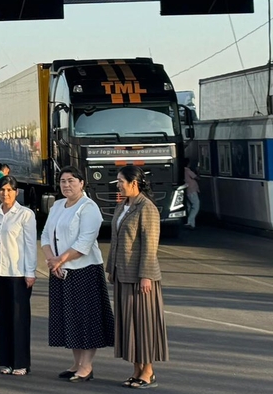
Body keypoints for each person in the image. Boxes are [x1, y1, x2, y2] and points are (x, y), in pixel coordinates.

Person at [41, 166, 113, 382]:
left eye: (71, 180)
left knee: (86, 319)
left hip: (84, 271)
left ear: (82, 183)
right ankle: (76, 363)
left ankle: (86, 366)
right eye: (63, 181)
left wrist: (60, 260)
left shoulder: (88, 207)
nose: (66, 185)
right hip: (60, 270)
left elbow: (84, 242)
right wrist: (53, 261)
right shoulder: (57, 205)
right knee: (69, 318)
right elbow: (45, 235)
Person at [107, 166, 168, 389]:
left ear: (134, 183)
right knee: (129, 325)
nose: (118, 185)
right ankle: (136, 370)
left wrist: (146, 276)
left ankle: (148, 372)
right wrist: (111, 269)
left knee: (143, 324)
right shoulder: (122, 206)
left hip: (140, 278)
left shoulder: (147, 208)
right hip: (122, 274)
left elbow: (150, 246)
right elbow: (115, 240)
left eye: (121, 181)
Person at [0, 176, 36, 376]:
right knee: (2, 319)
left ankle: (21, 362)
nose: (5, 193)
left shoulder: (25, 214)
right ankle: (6, 361)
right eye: (2, 190)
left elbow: (30, 245)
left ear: (16, 192)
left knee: (19, 319)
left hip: (18, 273)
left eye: (9, 190)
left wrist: (30, 272)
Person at [184, 159, 200, 229]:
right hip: (192, 190)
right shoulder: (187, 171)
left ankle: (192, 224)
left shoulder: (182, 171)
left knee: (189, 207)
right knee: (196, 206)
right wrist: (197, 171)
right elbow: (197, 178)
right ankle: (189, 221)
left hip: (187, 190)